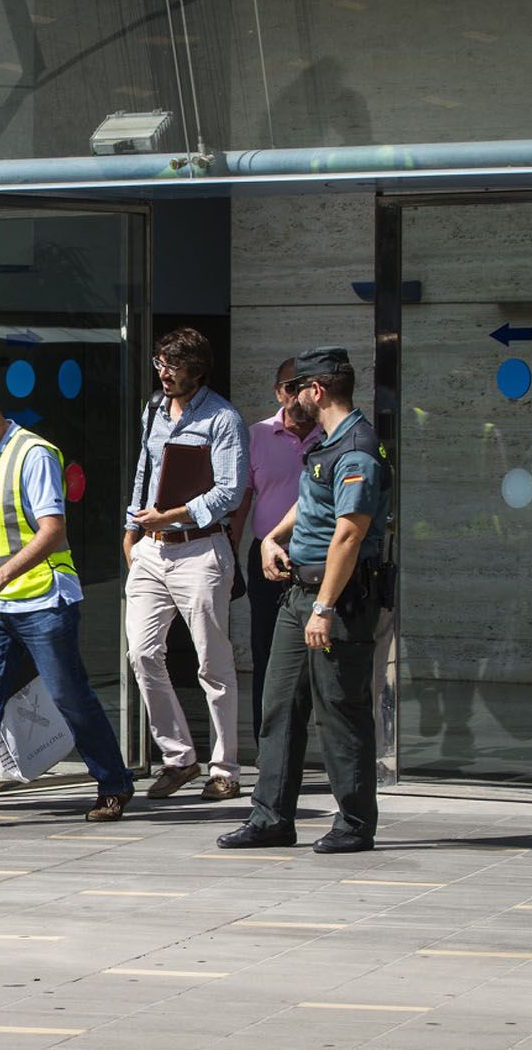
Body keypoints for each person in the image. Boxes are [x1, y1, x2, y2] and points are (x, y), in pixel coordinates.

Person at [0, 376, 134, 827]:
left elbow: (52, 530)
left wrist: (0, 575)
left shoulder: (32, 454)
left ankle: (113, 782)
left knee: (67, 694)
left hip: (42, 598)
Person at [216, 347, 391, 854]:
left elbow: (349, 536)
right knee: (279, 706)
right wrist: (272, 536)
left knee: (340, 710)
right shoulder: (330, 446)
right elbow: (312, 499)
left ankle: (354, 823)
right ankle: (271, 818)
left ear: (317, 391)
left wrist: (324, 607)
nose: (294, 399)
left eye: (299, 389)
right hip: (298, 593)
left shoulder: (357, 448)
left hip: (337, 601)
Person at [122, 327, 249, 801]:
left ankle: (225, 768)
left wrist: (172, 515)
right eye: (160, 364)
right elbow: (144, 469)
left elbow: (229, 492)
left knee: (212, 662)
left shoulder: (223, 418)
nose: (165, 374)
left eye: (173, 366)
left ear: (197, 369)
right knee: (141, 653)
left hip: (200, 548)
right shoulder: (154, 407)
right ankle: (178, 757)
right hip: (152, 547)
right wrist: (130, 530)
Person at [230, 357, 323, 745]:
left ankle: (314, 739)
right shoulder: (256, 436)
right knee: (267, 651)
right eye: (288, 386)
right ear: (277, 391)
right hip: (269, 556)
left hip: (319, 558)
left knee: (321, 653)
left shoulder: (330, 436)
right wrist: (230, 557)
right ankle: (269, 744)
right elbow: (242, 503)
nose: (294, 394)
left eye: (302, 386)